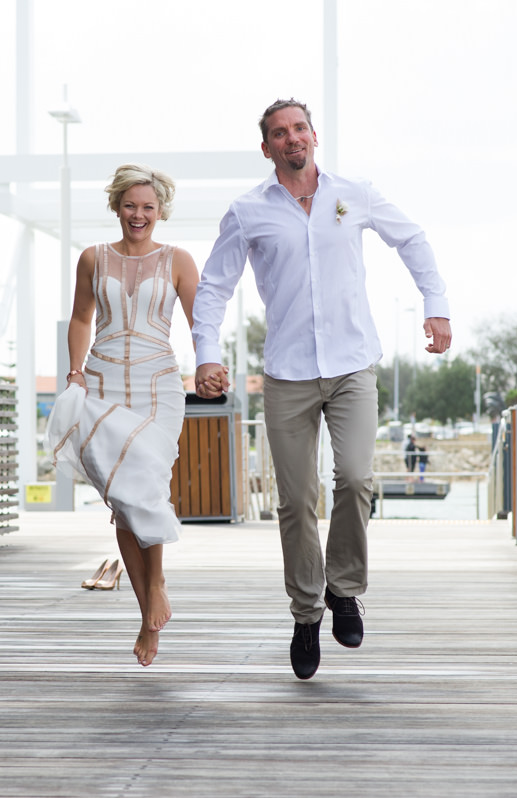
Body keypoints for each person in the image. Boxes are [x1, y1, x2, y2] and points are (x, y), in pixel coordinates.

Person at [192, 99, 452, 680]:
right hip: (287, 372)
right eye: (279, 133)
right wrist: (206, 354)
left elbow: (412, 240)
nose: (292, 139)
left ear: (314, 135)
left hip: (353, 362)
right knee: (295, 499)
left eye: (299, 128)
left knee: (357, 479)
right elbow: (213, 288)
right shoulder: (247, 211)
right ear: (267, 148)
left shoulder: (352, 193)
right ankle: (307, 612)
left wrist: (436, 308)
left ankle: (346, 589)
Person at [46, 163, 206, 668]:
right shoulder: (93, 258)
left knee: (148, 488)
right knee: (122, 500)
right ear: (116, 206)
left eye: (148, 208)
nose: (139, 215)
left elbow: (201, 322)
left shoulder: (178, 260)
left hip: (160, 385)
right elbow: (80, 318)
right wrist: (74, 372)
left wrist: (209, 367)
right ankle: (146, 611)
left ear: (161, 212)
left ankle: (156, 584)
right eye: (130, 206)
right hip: (104, 381)